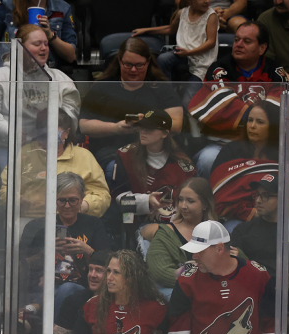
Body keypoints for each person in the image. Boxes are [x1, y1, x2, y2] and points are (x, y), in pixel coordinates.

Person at [188, 21, 287, 178]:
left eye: (246, 41)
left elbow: (278, 112)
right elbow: (219, 108)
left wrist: (244, 115)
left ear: (262, 48)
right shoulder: (219, 69)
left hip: (263, 146)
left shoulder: (275, 72)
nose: (239, 45)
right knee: (208, 160)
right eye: (237, 40)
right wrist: (257, 116)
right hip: (222, 144)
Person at [79, 38, 184, 172]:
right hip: (112, 152)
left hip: (154, 151)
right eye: (128, 64)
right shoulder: (103, 86)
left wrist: (149, 123)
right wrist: (115, 128)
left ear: (148, 63)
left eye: (139, 65)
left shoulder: (160, 86)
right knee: (116, 168)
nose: (133, 70)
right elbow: (84, 125)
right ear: (119, 61)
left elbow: (177, 125)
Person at [22, 172, 113, 317]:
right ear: (53, 200)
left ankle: (42, 319)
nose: (67, 206)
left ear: (82, 199)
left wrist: (88, 251)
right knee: (53, 290)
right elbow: (22, 264)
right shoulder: (37, 226)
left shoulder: (93, 224)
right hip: (42, 286)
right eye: (61, 200)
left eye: (73, 200)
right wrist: (44, 253)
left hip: (81, 288)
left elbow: (109, 262)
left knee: (67, 288)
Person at [209, 100, 289, 222]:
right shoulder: (231, 151)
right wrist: (250, 212)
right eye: (250, 120)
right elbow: (217, 191)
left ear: (273, 127)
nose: (252, 126)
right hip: (238, 218)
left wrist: (273, 212)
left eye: (259, 122)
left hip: (280, 220)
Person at [0, 25, 81, 150]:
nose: (43, 48)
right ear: (20, 48)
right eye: (37, 44)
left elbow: (71, 118)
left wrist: (54, 135)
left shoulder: (62, 80)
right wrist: (11, 132)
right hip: (9, 149)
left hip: (51, 149)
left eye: (46, 44)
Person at [107, 108, 197, 246]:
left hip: (175, 226)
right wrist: (146, 201)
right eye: (141, 127)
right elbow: (119, 199)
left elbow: (191, 203)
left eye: (149, 128)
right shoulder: (125, 156)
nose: (143, 131)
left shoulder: (182, 164)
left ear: (165, 133)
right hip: (137, 224)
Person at [13, 109, 109, 218]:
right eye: (44, 133)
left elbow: (102, 195)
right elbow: (5, 188)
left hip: (73, 221)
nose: (49, 137)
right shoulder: (26, 153)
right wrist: (18, 200)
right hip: (30, 219)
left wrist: (82, 205)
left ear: (67, 133)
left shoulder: (84, 156)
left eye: (54, 133)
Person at [135, 0, 218, 105]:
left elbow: (211, 42)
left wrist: (189, 53)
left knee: (188, 102)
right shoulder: (182, 13)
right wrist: (146, 30)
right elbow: (170, 29)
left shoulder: (211, 15)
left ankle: (181, 111)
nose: (207, 1)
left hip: (201, 60)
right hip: (183, 53)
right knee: (163, 59)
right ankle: (167, 94)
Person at [231, 178, 289, 277]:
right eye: (257, 195)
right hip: (255, 288)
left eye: (266, 196)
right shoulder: (242, 231)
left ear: (283, 198)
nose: (258, 200)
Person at [146, 177, 219, 293]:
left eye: (190, 201)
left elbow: (236, 261)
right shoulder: (166, 233)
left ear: (205, 204)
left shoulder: (216, 231)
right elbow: (160, 273)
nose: (183, 206)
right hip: (180, 291)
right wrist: (199, 281)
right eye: (180, 200)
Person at [0, 0, 77, 77]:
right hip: (7, 73)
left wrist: (51, 36)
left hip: (41, 77)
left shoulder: (63, 8)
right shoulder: (9, 5)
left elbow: (71, 55)